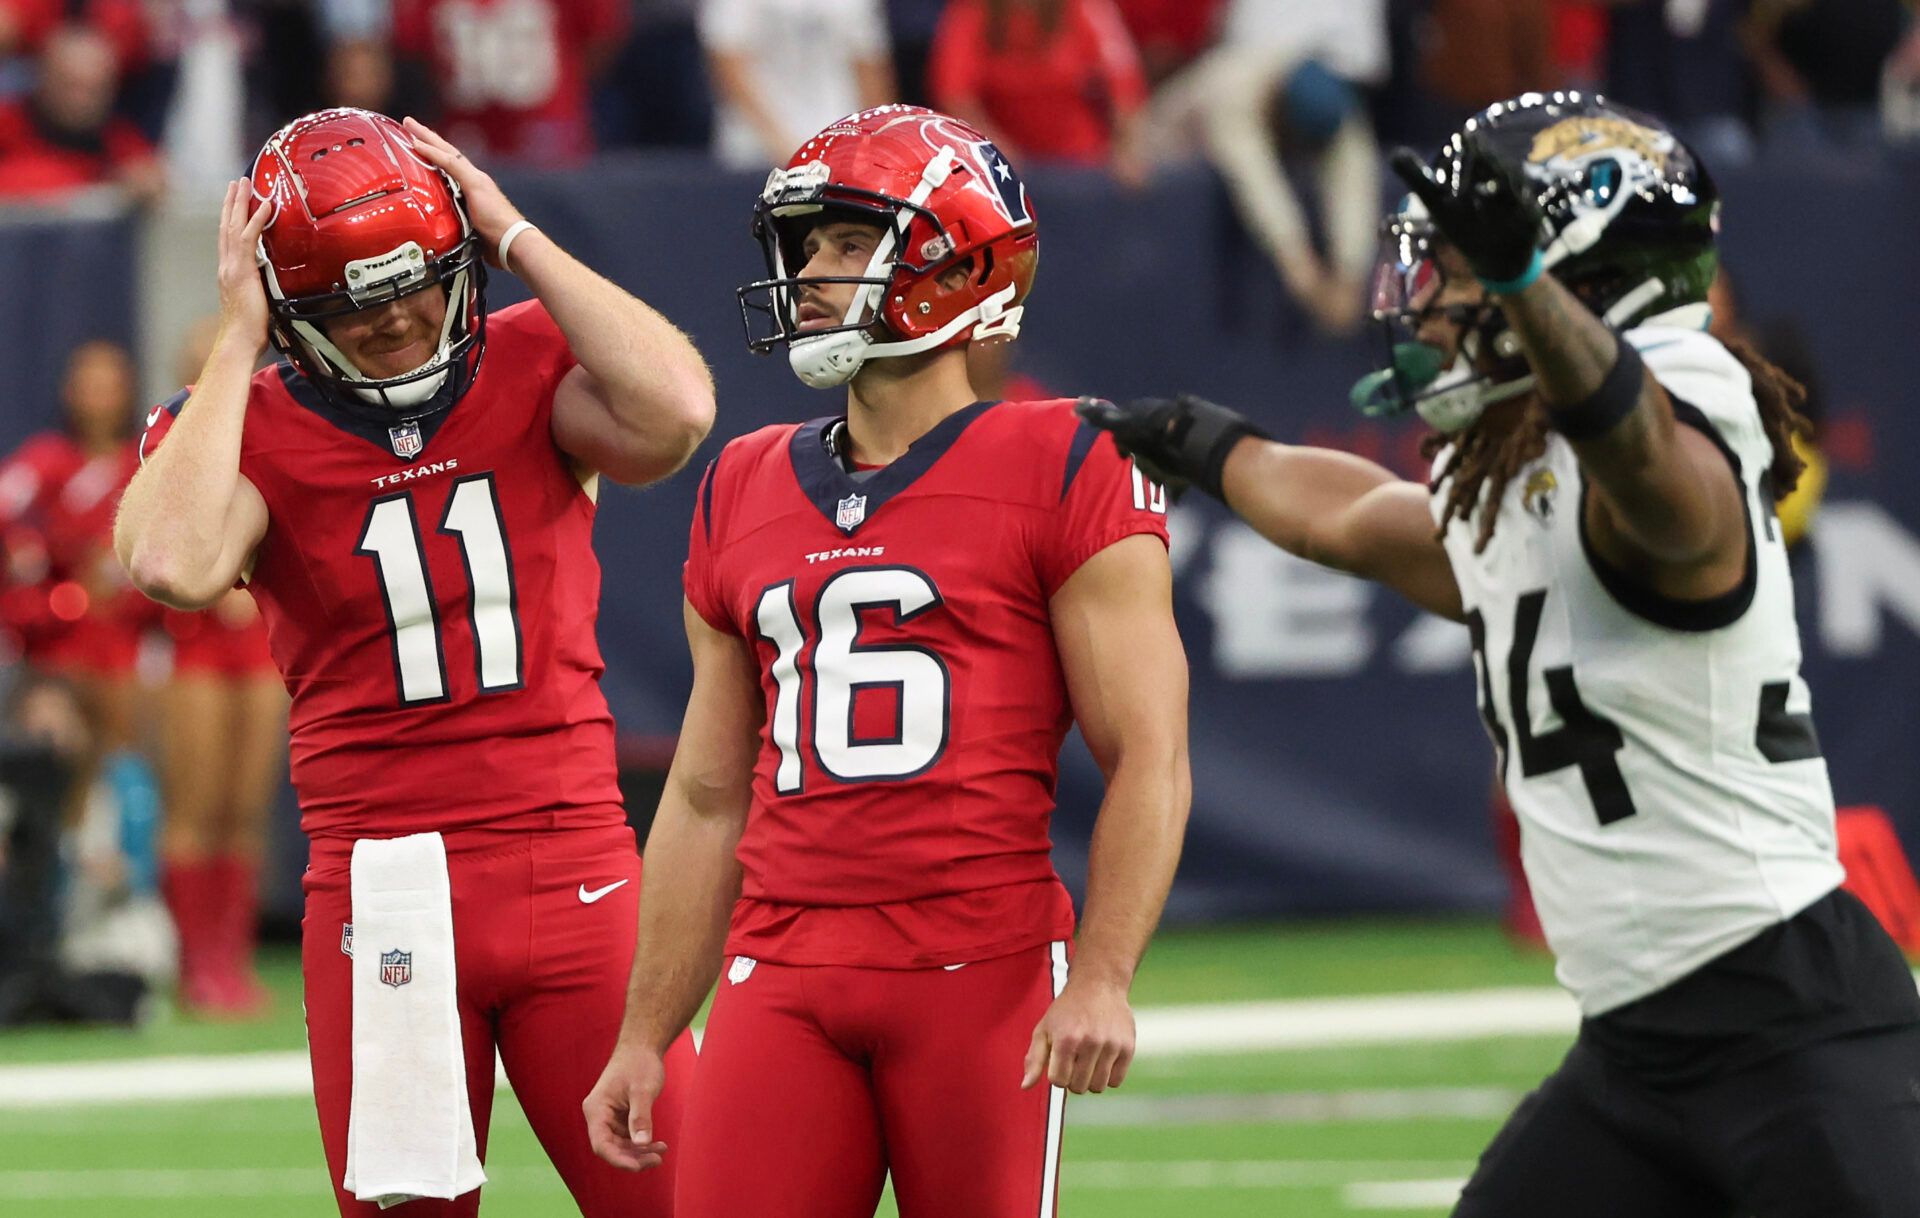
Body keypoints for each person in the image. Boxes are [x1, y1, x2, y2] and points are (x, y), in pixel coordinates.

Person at [1082, 91, 1920, 1217]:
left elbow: (1653, 483)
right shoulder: (1519, 476)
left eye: (1461, 276)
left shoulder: (1678, 432)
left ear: (1573, 287)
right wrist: (1193, 439)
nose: (1426, 308)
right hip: (1637, 1047)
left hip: (1790, 1024)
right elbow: (1357, 521)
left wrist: (1522, 287)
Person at [583, 105, 1191, 1217]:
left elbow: (1148, 754)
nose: (811, 271)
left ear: (956, 256)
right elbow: (711, 795)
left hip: (981, 967)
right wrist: (646, 1029)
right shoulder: (742, 478)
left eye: (849, 242)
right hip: (783, 971)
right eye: (808, 245)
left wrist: (1102, 976)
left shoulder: (1069, 455)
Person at [113, 106, 712, 1216]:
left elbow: (676, 411)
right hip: (379, 884)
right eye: (354, 304)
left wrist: (514, 229)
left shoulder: (531, 358)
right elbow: (171, 561)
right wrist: (238, 338)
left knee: (680, 1199)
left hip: (568, 856)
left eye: (414, 286)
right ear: (292, 307)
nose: (395, 323)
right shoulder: (249, 420)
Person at [152, 318, 288, 1020]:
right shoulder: (168, 440)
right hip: (198, 646)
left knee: (243, 810)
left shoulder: (273, 431)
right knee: (196, 807)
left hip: (259, 646)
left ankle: (228, 962)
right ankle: (192, 963)